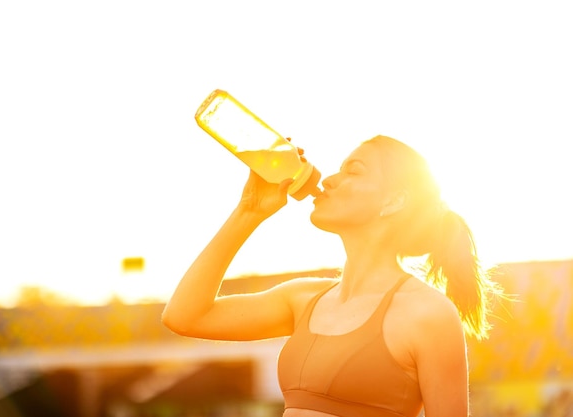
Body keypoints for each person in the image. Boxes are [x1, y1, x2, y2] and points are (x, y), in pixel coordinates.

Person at [162, 135, 500, 417]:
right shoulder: (302, 298)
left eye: (353, 171)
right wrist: (249, 210)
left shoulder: (427, 314)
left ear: (395, 200)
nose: (328, 180)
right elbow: (184, 316)